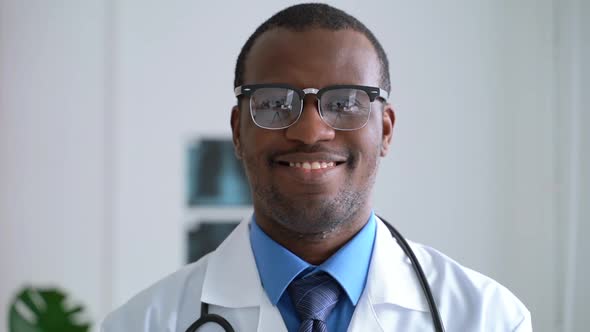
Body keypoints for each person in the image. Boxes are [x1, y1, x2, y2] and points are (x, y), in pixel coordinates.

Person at [101, 3, 531, 332]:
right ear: (238, 131)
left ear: (385, 130)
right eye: (274, 103)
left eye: (344, 102)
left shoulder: (489, 317)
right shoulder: (143, 322)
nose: (309, 131)